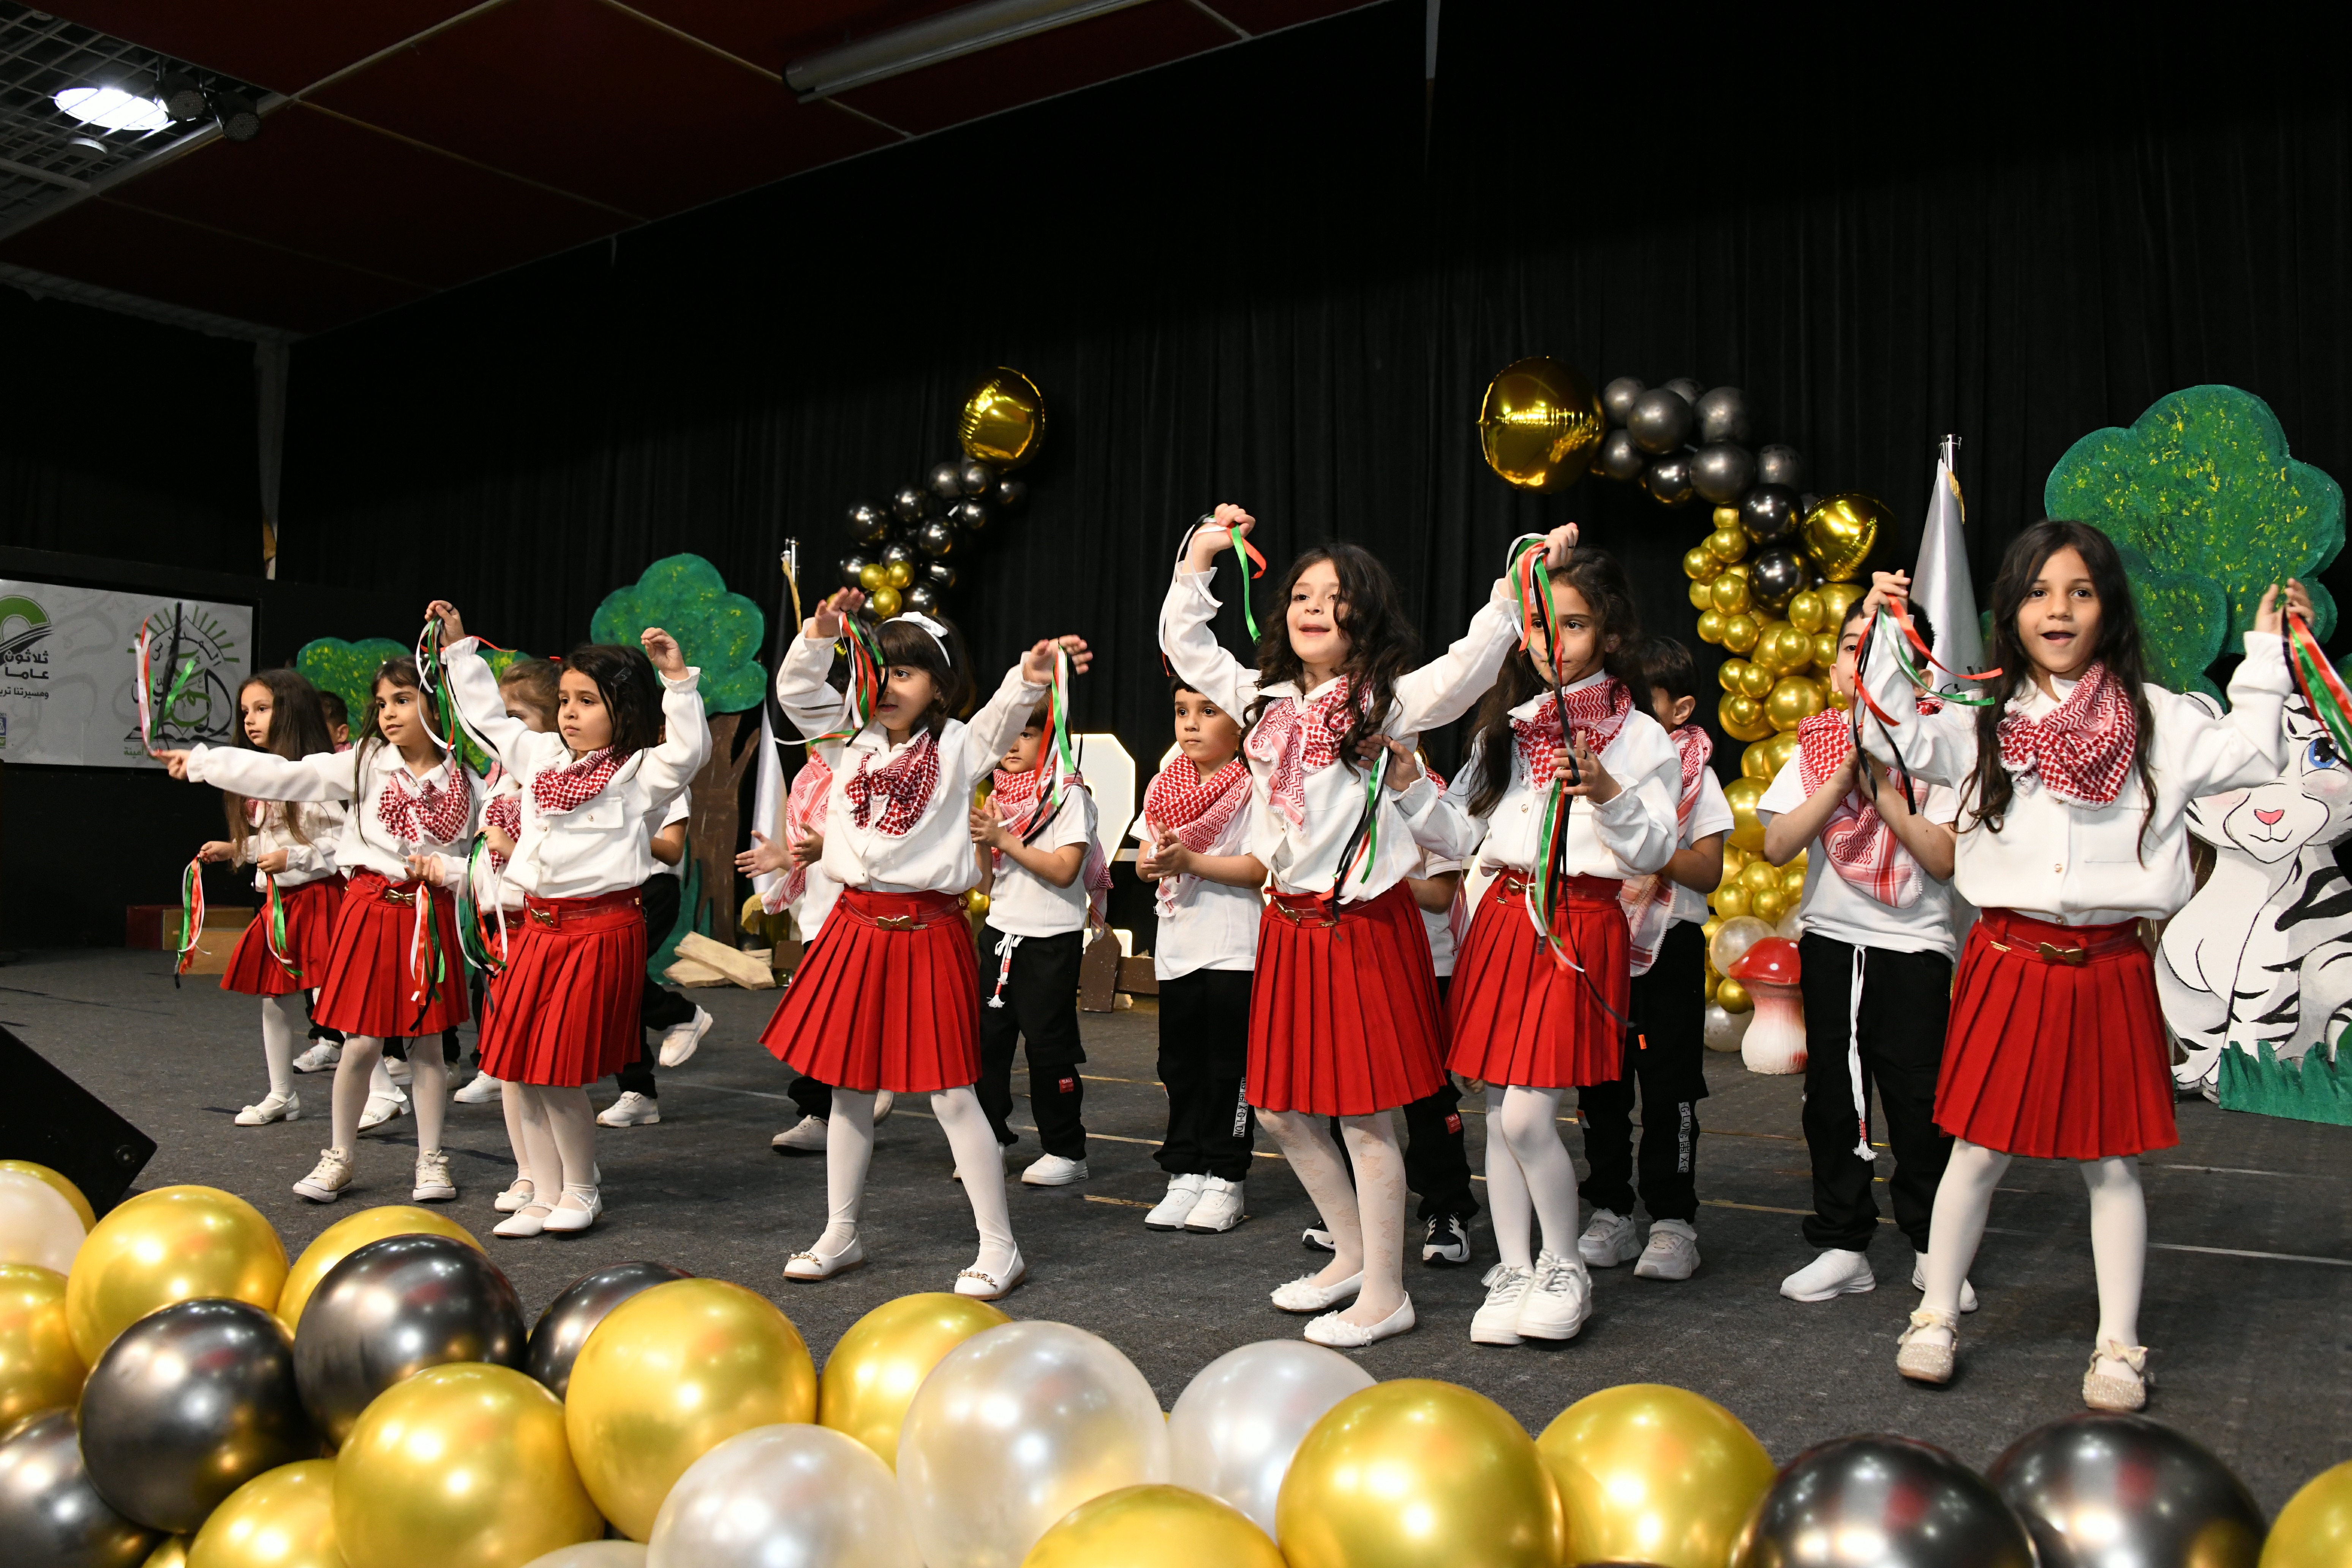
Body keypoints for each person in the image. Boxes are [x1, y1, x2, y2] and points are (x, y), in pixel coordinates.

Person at [1858, 520, 2306, 1411]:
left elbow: (2253, 752)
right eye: (2037, 592)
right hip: (2009, 959)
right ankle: (1934, 1315)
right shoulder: (1980, 716)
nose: (2057, 610)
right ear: (2009, 611)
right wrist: (1885, 635)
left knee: (2111, 1163)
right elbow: (1890, 734)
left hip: (2109, 964)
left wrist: (2265, 654)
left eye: (2079, 591)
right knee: (1977, 1151)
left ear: (2109, 609)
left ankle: (2118, 1346)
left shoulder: (2159, 719)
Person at [1161, 503, 1570, 1348]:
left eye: (1335, 597)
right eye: (1300, 595)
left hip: (1361, 928)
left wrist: (1516, 586)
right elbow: (1187, 645)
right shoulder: (1265, 701)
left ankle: (1386, 1295)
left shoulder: (1385, 702)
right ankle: (1351, 1255)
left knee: (1366, 1119)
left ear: (1368, 616)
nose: (1313, 607)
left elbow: (1466, 667)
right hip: (1288, 926)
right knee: (1279, 1109)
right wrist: (1199, 558)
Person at [761, 592, 1088, 1298]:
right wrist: (820, 633)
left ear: (940, 687)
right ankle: (840, 1231)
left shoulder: (958, 746)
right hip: (853, 928)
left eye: (906, 673)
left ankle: (1000, 1246)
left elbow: (1001, 719)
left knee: (951, 1094)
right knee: (849, 1087)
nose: (888, 686)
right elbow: (796, 691)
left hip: (926, 931)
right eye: (878, 671)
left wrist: (1031, 677)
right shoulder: (849, 740)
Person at [1439, 546, 1680, 1348]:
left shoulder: (1640, 736)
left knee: (1529, 1115)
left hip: (1575, 921)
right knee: (1498, 1110)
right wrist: (1403, 786)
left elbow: (1653, 849)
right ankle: (1514, 1266)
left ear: (1610, 634)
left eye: (1575, 624)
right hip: (1504, 919)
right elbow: (1457, 831)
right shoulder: (1507, 728)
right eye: (1542, 624)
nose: (1555, 641)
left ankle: (1564, 1263)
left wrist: (1607, 790)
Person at [427, 600, 707, 1238]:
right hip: (539, 929)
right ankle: (544, 1190)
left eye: (587, 701)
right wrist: (459, 650)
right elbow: (486, 719)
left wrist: (678, 680)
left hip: (599, 929)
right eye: (565, 701)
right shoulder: (543, 759)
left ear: (622, 709)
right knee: (520, 1066)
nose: (570, 713)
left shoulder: (637, 770)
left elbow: (689, 753)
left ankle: (581, 1187)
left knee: (557, 1071)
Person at [161, 654, 477, 1206]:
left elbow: (474, 855)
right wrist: (205, 762)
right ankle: (340, 1155)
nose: (389, 713)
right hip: (370, 909)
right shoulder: (365, 761)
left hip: (428, 916)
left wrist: (452, 876)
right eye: (382, 703)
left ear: (436, 707)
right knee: (360, 1042)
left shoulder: (465, 779)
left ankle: (431, 1159)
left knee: (428, 1044)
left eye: (403, 701)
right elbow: (291, 775)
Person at [1758, 601, 1972, 1311]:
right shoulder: (1821, 739)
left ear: (1921, 672)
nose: (1866, 662)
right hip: (1832, 939)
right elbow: (1777, 844)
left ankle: (1934, 1247)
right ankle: (1843, 1244)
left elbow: (1941, 858)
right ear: (1835, 668)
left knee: (1919, 1102)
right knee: (1833, 1098)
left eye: (1886, 652)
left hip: (1914, 946)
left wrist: (1880, 784)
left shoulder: (1945, 743)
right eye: (1854, 647)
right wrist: (1839, 777)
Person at [1577, 636, 1730, 1283]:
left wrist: (1643, 841)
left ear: (1680, 709)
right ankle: (1610, 1210)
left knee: (1669, 1088)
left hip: (1670, 945)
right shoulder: (1594, 769)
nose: (1627, 716)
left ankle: (1672, 1221)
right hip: (1600, 938)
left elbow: (1708, 870)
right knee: (1600, 1084)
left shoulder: (1696, 773)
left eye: (1641, 703)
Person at [1134, 681, 1264, 1233]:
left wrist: (1189, 860)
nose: (1190, 723)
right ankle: (1185, 1171)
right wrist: (1155, 863)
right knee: (1179, 1065)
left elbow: (1259, 869)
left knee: (1228, 1068)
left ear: (1240, 728)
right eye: (1182, 711)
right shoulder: (1165, 784)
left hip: (1235, 948)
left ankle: (1226, 1177)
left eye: (1208, 711)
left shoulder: (1256, 787)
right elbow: (1144, 859)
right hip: (1179, 946)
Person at [194, 670, 346, 1128]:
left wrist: (294, 857)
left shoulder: (317, 775)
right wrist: (237, 849)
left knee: (334, 997)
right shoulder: (266, 778)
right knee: (273, 996)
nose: (251, 720)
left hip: (318, 897)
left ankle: (380, 1088)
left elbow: (341, 845)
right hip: (281, 902)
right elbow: (274, 839)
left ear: (291, 712)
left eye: (262, 709)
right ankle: (282, 1094)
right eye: (246, 712)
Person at [969, 703, 1111, 1185]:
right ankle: (988, 1140)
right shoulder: (998, 797)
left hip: (1050, 941)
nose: (1012, 745)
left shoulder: (1068, 795)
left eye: (1027, 734)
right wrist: (982, 839)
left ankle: (1066, 1150)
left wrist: (1003, 839)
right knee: (988, 1045)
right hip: (1000, 934)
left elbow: (1065, 869)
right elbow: (985, 884)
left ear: (1052, 742)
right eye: (1008, 734)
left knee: (1049, 1049)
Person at [740, 751, 890, 1150]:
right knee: (822, 1025)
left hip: (867, 916)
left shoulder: (884, 766)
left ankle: (845, 1097)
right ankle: (837, 1105)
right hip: (819, 918)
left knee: (837, 1024)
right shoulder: (809, 775)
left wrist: (830, 848)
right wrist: (785, 858)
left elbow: (887, 848)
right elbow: (809, 853)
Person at [292, 691, 356, 1076]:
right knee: (314, 970)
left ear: (340, 733)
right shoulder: (303, 773)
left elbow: (338, 843)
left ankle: (388, 1058)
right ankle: (329, 1040)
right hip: (307, 887)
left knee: (347, 973)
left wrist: (295, 857)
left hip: (342, 889)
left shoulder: (347, 776)